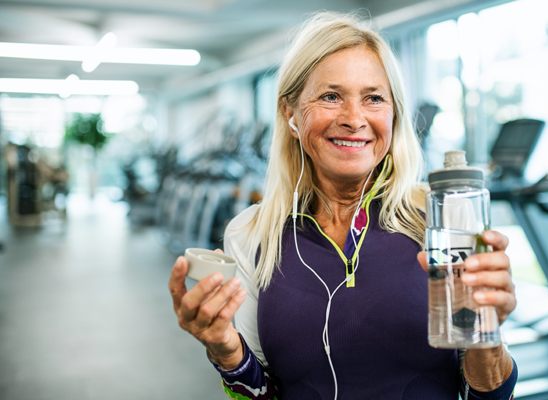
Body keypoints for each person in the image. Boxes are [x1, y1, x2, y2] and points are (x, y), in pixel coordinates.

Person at [169, 12, 517, 400]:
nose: (354, 119)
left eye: (373, 98)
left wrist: (488, 332)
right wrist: (226, 350)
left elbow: (488, 395)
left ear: (393, 115)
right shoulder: (250, 233)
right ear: (291, 114)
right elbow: (260, 394)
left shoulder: (443, 219)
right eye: (331, 97)